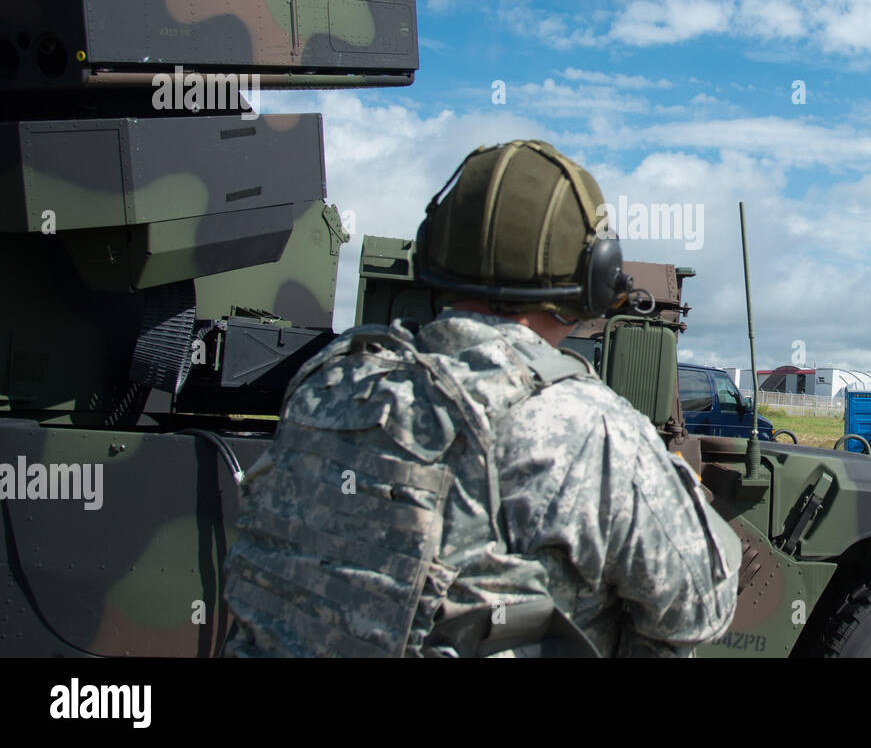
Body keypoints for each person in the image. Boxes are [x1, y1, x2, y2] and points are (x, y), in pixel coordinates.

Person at [222, 139, 740, 657]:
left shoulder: (329, 384)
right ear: (596, 275)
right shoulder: (589, 429)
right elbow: (701, 607)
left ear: (434, 252)